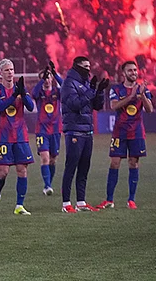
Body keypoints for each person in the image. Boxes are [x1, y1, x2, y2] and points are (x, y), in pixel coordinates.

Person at [97, 61, 154, 210]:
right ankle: (109, 200)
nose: (134, 73)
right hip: (119, 132)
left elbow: (150, 110)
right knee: (114, 162)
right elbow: (114, 106)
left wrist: (141, 96)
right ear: (124, 73)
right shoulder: (116, 89)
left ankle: (131, 200)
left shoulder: (143, 89)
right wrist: (132, 96)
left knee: (133, 163)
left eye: (135, 70)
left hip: (136, 132)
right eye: (130, 70)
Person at [60, 56, 108, 213]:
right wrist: (90, 91)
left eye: (89, 66)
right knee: (71, 167)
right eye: (85, 66)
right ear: (77, 67)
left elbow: (97, 106)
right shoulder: (68, 83)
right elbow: (74, 104)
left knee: (84, 167)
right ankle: (66, 204)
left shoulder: (86, 83)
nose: (88, 69)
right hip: (74, 130)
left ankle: (80, 202)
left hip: (87, 130)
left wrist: (99, 91)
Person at [0, 59, 35, 216]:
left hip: (20, 135)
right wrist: (15, 94)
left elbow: (30, 106)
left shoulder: (20, 89)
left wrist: (22, 92)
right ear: (0, 73)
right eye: (7, 70)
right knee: (3, 172)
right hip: (4, 136)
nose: (10, 72)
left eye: (12, 69)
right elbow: (1, 107)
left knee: (22, 170)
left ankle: (19, 206)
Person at [31, 61, 63, 196]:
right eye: (44, 78)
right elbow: (33, 94)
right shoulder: (39, 93)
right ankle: (47, 186)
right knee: (45, 157)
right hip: (42, 130)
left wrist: (55, 73)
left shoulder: (57, 92)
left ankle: (49, 182)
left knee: (53, 159)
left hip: (56, 129)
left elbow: (66, 87)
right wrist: (42, 79)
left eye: (48, 77)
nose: (47, 80)